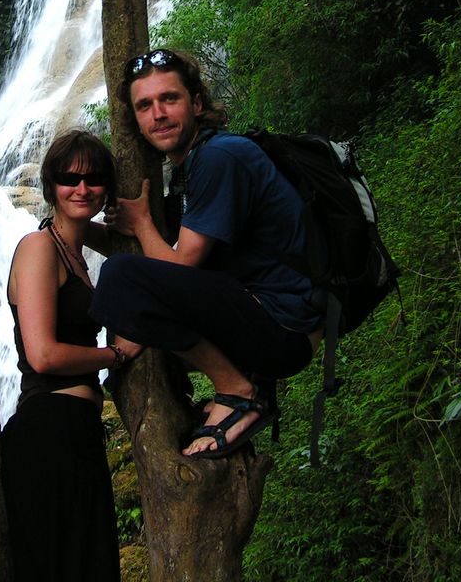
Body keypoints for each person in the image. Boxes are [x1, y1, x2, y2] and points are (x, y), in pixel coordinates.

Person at [90, 49, 324, 460]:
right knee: (131, 304)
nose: (158, 114)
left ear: (196, 103)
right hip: (268, 321)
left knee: (119, 279)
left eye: (170, 99)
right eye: (144, 105)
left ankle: (239, 392)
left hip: (282, 329)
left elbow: (180, 266)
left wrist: (143, 222)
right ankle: (238, 385)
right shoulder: (195, 166)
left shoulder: (219, 157)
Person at [0, 129, 139, 582]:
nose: (82, 188)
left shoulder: (74, 251)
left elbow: (98, 229)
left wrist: (129, 222)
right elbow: (42, 355)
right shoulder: (39, 247)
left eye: (95, 178)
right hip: (46, 433)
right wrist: (115, 354)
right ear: (50, 186)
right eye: (69, 178)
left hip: (75, 433)